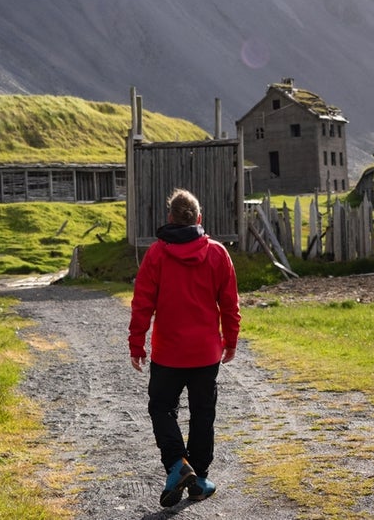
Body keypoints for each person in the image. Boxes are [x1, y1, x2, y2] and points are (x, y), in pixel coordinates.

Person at [128, 188, 241, 507]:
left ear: (170, 218)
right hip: (206, 353)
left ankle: (178, 465)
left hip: (169, 353)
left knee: (161, 408)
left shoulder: (156, 254)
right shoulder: (218, 253)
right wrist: (230, 340)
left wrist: (137, 343)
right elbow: (230, 305)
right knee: (203, 413)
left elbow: (142, 304)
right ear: (199, 218)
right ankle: (199, 478)